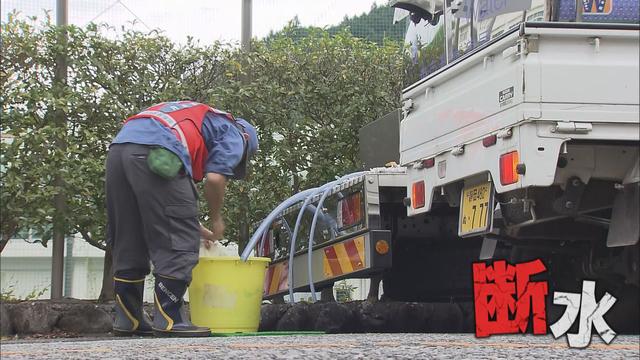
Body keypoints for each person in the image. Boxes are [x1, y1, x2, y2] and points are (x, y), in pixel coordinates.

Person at [105, 101, 258, 337]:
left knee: (129, 235)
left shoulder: (197, 117)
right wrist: (217, 220)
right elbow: (215, 179)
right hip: (158, 151)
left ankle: (128, 318)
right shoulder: (236, 133)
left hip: (119, 149)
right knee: (178, 243)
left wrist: (194, 226)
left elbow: (165, 207)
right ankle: (170, 319)